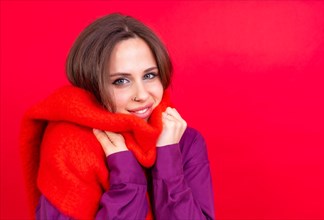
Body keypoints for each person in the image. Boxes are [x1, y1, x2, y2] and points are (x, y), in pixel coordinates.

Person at [20, 13, 214, 219]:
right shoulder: (69, 145)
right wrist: (127, 180)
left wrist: (168, 158)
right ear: (92, 85)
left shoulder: (183, 140)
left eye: (149, 75)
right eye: (121, 81)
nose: (142, 95)